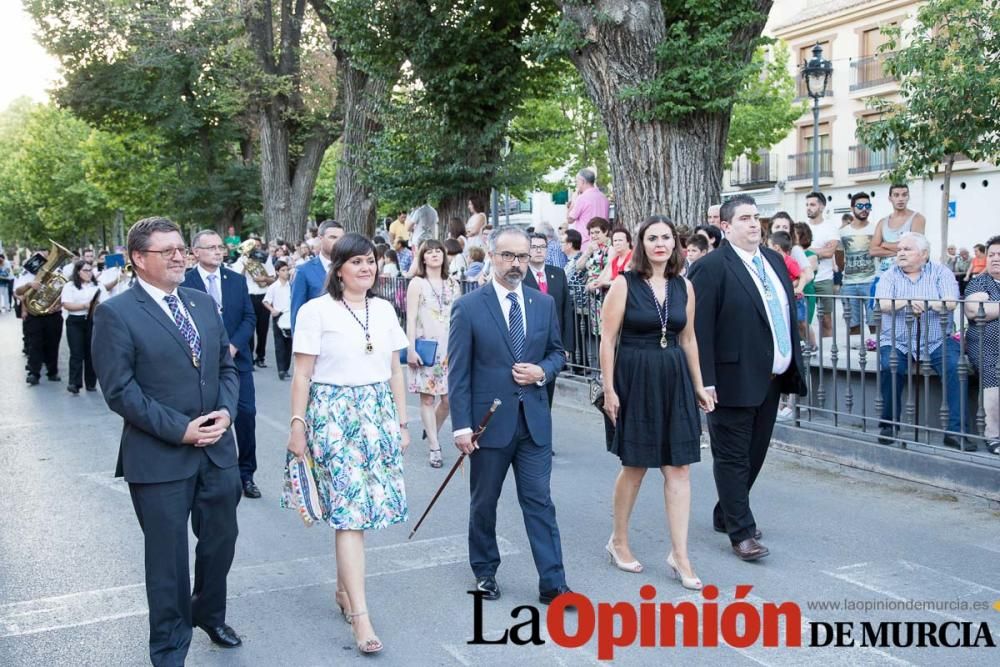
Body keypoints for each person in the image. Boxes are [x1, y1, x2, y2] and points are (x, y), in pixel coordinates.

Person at [92, 216, 243, 665]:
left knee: (221, 542)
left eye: (182, 248)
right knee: (167, 560)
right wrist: (181, 429)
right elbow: (120, 392)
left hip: (217, 452)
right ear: (139, 259)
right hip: (158, 458)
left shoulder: (200, 303)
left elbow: (226, 369)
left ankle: (208, 613)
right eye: (168, 251)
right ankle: (170, 645)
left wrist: (226, 413)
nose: (181, 256)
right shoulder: (115, 313)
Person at [283, 233, 410, 655]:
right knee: (350, 514)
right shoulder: (315, 311)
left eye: (370, 261)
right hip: (333, 414)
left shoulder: (385, 308)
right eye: (356, 262)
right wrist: (297, 424)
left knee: (362, 511)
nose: (366, 268)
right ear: (338, 269)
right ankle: (361, 616)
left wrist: (402, 421)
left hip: (376, 412)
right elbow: (302, 374)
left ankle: (343, 590)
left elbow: (395, 370)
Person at [448, 226, 571, 605]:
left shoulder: (542, 304)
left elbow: (557, 353)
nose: (516, 263)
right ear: (492, 255)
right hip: (488, 426)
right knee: (484, 502)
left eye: (522, 256)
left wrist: (542, 372)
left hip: (533, 423)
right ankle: (485, 571)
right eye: (508, 256)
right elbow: (459, 372)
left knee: (540, 502)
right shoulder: (469, 307)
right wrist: (462, 427)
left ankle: (554, 583)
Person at [688, 194, 807, 562]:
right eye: (744, 218)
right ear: (725, 226)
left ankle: (727, 512)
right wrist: (703, 381)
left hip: (771, 377)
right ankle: (741, 531)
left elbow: (782, 315)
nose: (755, 224)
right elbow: (698, 329)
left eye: (757, 217)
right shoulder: (712, 267)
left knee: (754, 454)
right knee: (732, 456)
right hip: (729, 379)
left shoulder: (773, 260)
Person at [599, 216, 714, 588]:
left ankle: (679, 555)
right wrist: (610, 389)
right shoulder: (624, 283)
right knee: (635, 465)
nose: (660, 243)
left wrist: (699, 385)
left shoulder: (684, 285)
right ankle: (618, 541)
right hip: (635, 376)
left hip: (674, 378)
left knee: (679, 467)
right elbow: (607, 340)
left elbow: (689, 338)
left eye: (666, 237)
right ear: (641, 244)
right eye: (652, 238)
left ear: (675, 244)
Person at [183, 230, 261, 498]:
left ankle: (247, 474)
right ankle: (209, 474)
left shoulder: (236, 280)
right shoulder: (185, 282)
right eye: (211, 247)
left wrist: (234, 346)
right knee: (207, 417)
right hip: (201, 364)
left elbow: (249, 317)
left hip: (238, 362)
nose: (218, 252)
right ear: (195, 253)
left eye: (220, 247)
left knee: (246, 415)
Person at [876, 232, 971, 450]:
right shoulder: (889, 274)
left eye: (907, 249)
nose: (900, 253)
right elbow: (883, 304)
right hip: (897, 339)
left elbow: (951, 302)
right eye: (899, 249)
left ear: (924, 254)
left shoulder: (941, 272)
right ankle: (889, 425)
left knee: (957, 368)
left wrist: (927, 303)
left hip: (936, 339)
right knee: (890, 366)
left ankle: (956, 432)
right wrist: (909, 301)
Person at [405, 240, 459, 468]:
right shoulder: (417, 283)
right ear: (423, 258)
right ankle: (435, 447)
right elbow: (410, 317)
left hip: (451, 347)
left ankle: (431, 430)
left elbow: (460, 316)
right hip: (426, 347)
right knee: (428, 398)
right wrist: (410, 348)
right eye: (430, 252)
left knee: (448, 400)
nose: (435, 255)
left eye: (439, 251)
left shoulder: (453, 283)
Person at [523, 233, 575, 405]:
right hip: (529, 345)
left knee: (548, 392)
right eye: (534, 247)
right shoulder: (521, 277)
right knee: (530, 393)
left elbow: (567, 310)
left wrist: (566, 346)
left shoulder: (558, 274)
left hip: (553, 344)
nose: (538, 251)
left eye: (542, 247)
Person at [964, 235, 1000, 455]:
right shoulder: (979, 282)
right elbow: (976, 312)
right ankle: (993, 434)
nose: (995, 259)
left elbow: (989, 309)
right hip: (986, 345)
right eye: (992, 255)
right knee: (993, 370)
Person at [13, 248, 63, 385]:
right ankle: (34, 373)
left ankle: (53, 371)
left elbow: (62, 291)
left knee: (53, 343)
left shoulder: (57, 273)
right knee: (35, 344)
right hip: (34, 314)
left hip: (53, 314)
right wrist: (29, 284)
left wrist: (57, 305)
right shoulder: (27, 273)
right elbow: (17, 291)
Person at [290, 219, 344, 331]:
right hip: (316, 338)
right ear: (320, 238)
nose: (338, 242)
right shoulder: (303, 271)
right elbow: (297, 313)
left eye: (341, 239)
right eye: (333, 237)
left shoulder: (349, 268)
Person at [232, 237, 276, 369]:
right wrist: (246, 265)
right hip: (248, 296)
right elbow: (237, 278)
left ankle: (260, 357)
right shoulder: (241, 259)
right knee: (248, 328)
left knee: (262, 329)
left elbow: (273, 278)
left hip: (263, 296)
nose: (254, 249)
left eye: (257, 246)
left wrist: (264, 278)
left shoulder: (265, 258)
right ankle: (249, 357)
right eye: (252, 246)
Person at [839, 192, 878, 336]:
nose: (864, 209)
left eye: (868, 206)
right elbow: (838, 257)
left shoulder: (875, 229)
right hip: (848, 284)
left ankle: (876, 354)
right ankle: (855, 357)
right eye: (860, 206)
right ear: (852, 208)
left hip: (871, 282)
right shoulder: (842, 232)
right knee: (853, 326)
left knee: (875, 324)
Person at [61, 259, 100, 394]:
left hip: (91, 321)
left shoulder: (97, 286)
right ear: (78, 272)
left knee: (91, 353)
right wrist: (84, 306)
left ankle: (91, 383)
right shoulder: (70, 286)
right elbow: (66, 304)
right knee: (76, 353)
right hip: (75, 321)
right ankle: (74, 383)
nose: (89, 273)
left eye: (90, 270)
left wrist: (96, 305)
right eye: (85, 270)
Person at [804, 192, 839, 338]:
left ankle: (826, 352)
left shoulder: (830, 227)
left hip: (824, 279)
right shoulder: (802, 227)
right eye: (807, 205)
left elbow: (830, 252)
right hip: (805, 278)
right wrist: (820, 250)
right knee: (804, 318)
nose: (808, 208)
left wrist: (808, 250)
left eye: (812, 204)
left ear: (822, 206)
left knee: (826, 320)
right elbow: (797, 250)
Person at [870, 183, 926, 274]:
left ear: (908, 197)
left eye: (904, 195)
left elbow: (915, 247)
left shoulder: (917, 218)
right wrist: (902, 251)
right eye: (896, 195)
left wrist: (885, 244)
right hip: (883, 275)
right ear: (890, 198)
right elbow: (873, 251)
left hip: (907, 275)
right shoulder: (882, 222)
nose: (901, 199)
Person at [263, 259, 293, 380]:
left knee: (289, 344)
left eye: (287, 270)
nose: (286, 272)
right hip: (279, 315)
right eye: (283, 270)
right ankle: (281, 369)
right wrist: (272, 310)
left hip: (289, 315)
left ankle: (286, 368)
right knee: (279, 343)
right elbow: (265, 301)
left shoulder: (291, 285)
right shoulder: (274, 287)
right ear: (277, 272)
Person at [566, 168, 610, 248]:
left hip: (585, 243)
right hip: (603, 243)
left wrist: (573, 201)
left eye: (577, 181)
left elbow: (569, 219)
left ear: (582, 181)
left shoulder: (581, 198)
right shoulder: (604, 198)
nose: (576, 184)